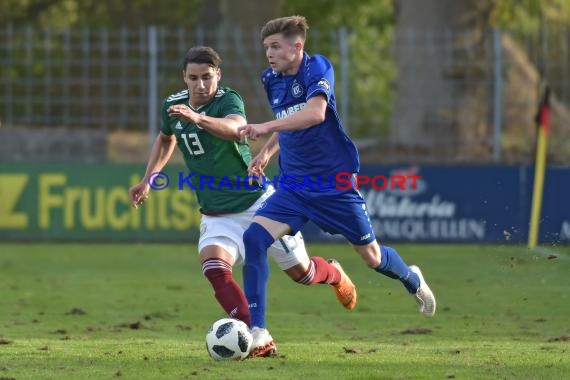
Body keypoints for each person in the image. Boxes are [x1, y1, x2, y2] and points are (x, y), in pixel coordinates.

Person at [128, 46, 356, 358]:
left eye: (207, 77)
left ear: (217, 75)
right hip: (217, 215)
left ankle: (333, 273)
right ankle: (255, 337)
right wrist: (148, 178)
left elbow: (236, 130)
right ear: (184, 77)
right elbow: (166, 138)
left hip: (258, 206)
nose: (200, 84)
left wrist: (198, 118)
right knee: (214, 268)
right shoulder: (173, 106)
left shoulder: (228, 100)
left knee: (302, 274)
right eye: (193, 78)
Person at [237, 16, 436, 335]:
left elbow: (314, 114)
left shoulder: (317, 67)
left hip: (333, 185)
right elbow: (289, 120)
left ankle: (412, 278)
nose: (269, 54)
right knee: (254, 238)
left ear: (297, 46)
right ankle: (257, 330)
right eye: (266, 48)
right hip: (294, 187)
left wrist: (264, 127)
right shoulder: (271, 79)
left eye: (275, 46)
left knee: (371, 257)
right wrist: (266, 152)